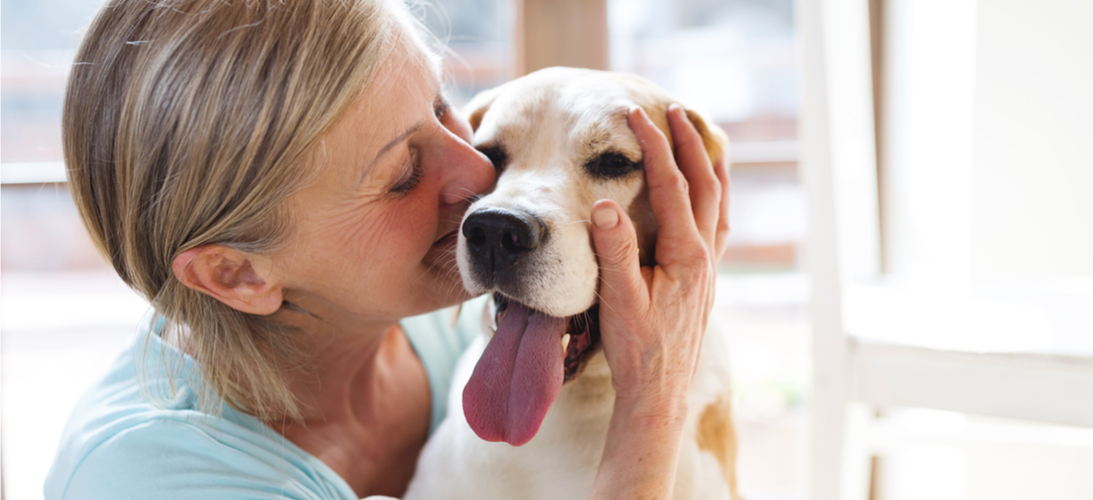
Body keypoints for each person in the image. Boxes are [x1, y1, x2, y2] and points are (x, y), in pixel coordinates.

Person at [45, 0, 730, 498]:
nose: (479, 181)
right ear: (239, 273)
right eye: (400, 176)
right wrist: (653, 406)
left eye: (442, 112)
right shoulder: (149, 481)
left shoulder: (438, 315)